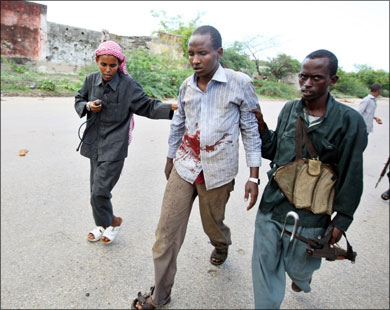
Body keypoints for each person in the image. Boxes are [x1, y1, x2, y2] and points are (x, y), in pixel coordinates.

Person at [132, 25, 262, 309]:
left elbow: (251, 130)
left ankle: (221, 243)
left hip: (218, 171)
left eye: (202, 53)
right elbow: (179, 122)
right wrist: (170, 157)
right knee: (165, 233)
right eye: (191, 54)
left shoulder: (239, 83)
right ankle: (161, 294)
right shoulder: (186, 86)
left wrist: (254, 176)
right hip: (185, 165)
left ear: (218, 52)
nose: (195, 59)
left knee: (211, 224)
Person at [250, 49, 368, 309]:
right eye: (303, 77)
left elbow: (352, 172)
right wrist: (259, 125)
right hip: (273, 206)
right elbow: (274, 150)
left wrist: (343, 218)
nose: (306, 83)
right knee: (266, 270)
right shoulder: (290, 109)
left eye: (316, 78)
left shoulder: (350, 122)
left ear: (332, 80)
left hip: (312, 216)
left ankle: (301, 278)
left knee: (299, 267)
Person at [75, 40, 177, 244]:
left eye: (112, 65)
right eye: (103, 64)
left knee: (100, 191)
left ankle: (113, 222)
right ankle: (104, 224)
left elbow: (147, 106)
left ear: (119, 63)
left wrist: (172, 109)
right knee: (95, 189)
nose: (108, 69)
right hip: (93, 143)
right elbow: (79, 99)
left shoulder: (128, 85)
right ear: (97, 61)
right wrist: (87, 106)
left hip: (115, 146)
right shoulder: (90, 80)